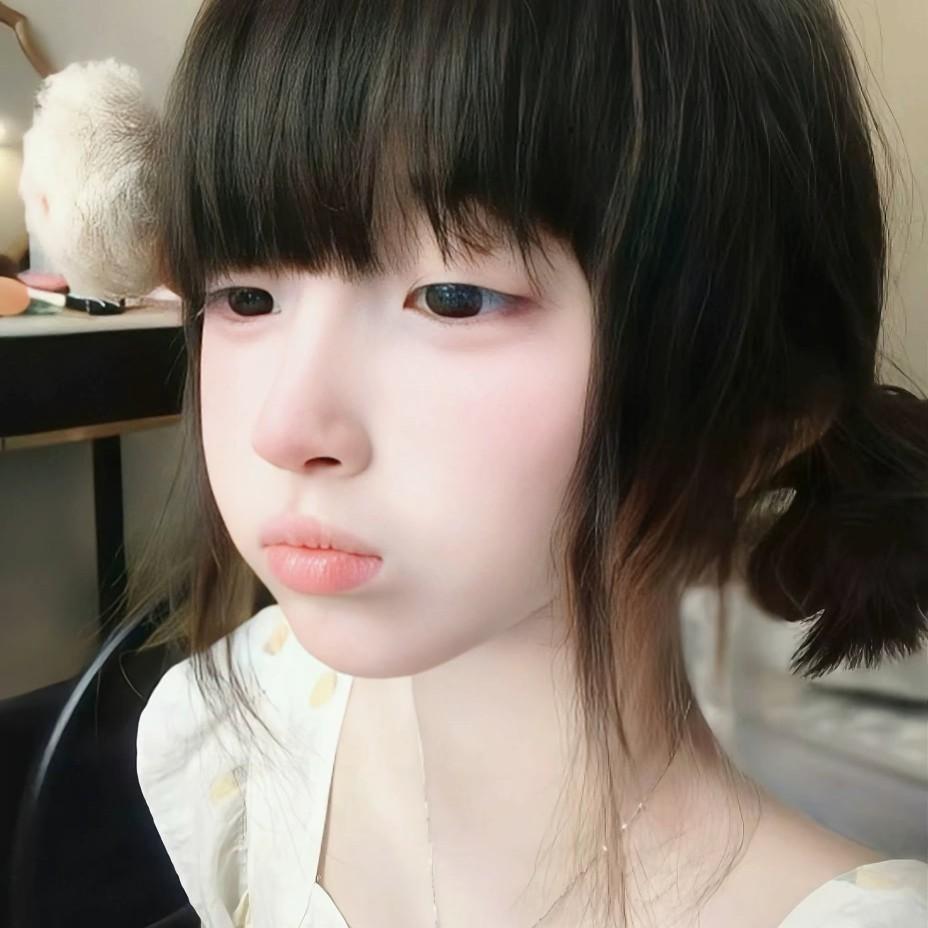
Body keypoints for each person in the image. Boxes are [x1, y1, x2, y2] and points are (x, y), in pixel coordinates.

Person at [132, 0, 928, 925]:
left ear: (759, 416)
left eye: (456, 298)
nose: (285, 425)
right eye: (245, 296)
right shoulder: (239, 732)